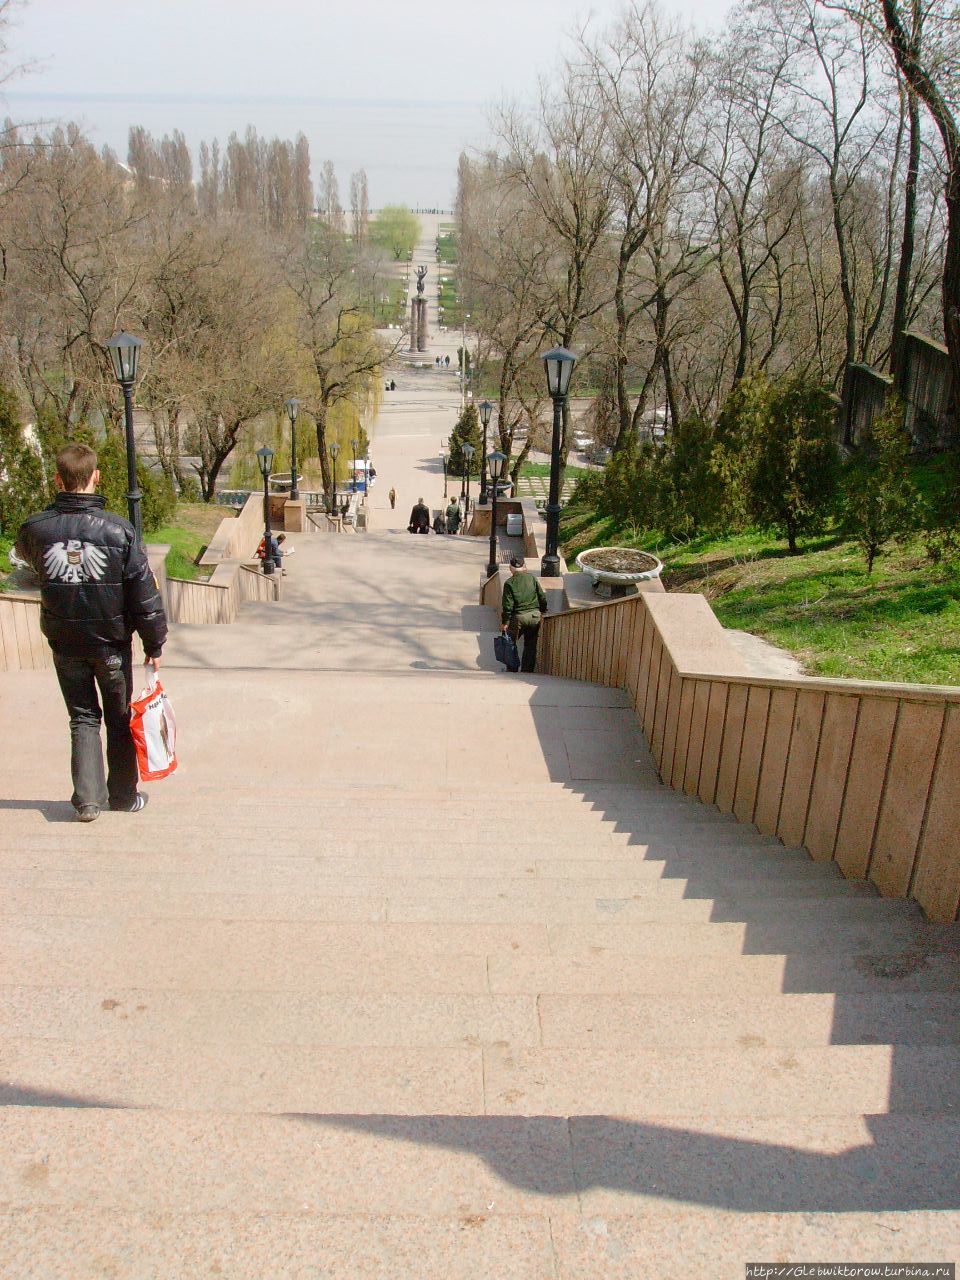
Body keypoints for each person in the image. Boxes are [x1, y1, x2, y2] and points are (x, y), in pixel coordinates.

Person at [15, 443, 168, 822]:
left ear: (58, 479)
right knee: (117, 717)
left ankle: (87, 800)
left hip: (65, 641)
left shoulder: (36, 529)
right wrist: (154, 642)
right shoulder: (119, 530)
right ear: (96, 477)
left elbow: (29, 564)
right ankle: (123, 796)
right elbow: (142, 591)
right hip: (111, 643)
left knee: (82, 716)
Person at [500, 555, 548, 674]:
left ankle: (512, 669)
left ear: (510, 568)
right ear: (524, 567)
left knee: (510, 643)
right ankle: (527, 671)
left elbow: (507, 605)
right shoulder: (532, 578)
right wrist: (543, 610)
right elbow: (542, 596)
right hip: (534, 616)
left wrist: (505, 622)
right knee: (530, 645)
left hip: (518, 618)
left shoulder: (509, 583)